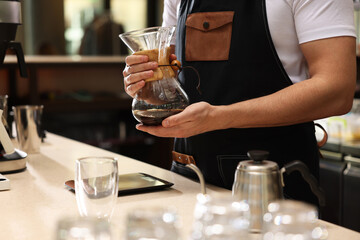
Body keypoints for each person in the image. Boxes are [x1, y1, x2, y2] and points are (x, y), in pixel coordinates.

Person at [122, 0, 356, 206]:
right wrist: (145, 84)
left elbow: (336, 90)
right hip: (189, 181)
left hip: (270, 186)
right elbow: (167, 87)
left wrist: (219, 117)